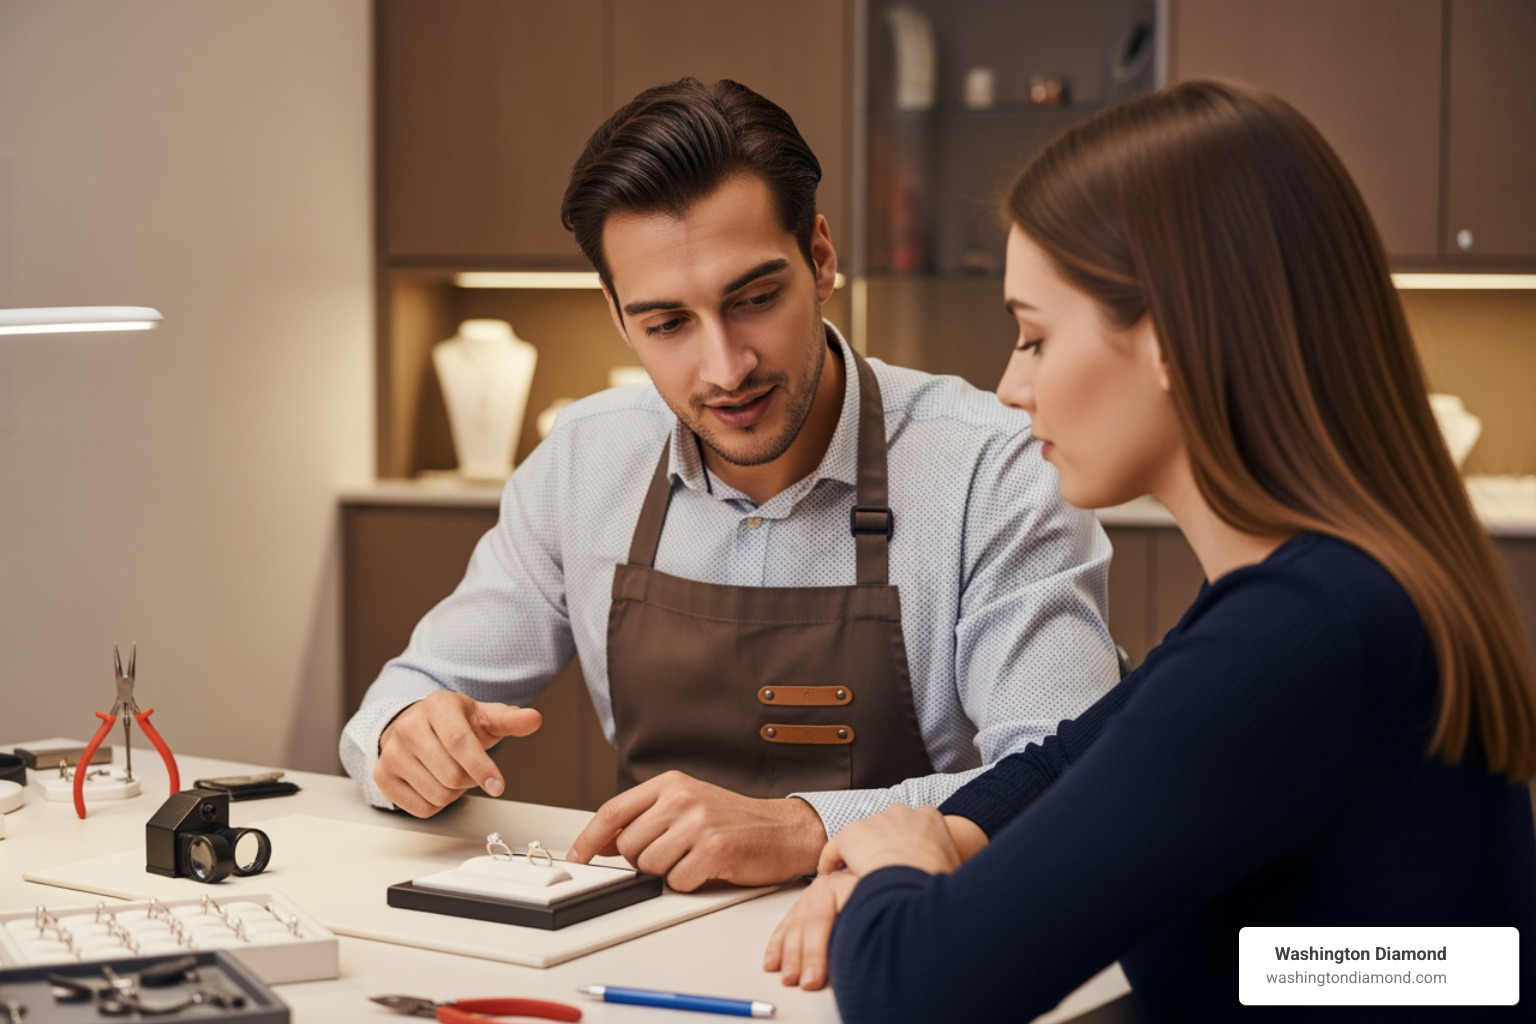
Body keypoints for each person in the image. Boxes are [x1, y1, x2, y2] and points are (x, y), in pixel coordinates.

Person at [764, 80, 1536, 1021]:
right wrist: (940, 842)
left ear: (1169, 335)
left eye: (1035, 336)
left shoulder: (1293, 639)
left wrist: (904, 871)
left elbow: (911, 992)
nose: (1010, 385)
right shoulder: (1336, 590)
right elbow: (1071, 766)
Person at [338, 78, 1121, 891]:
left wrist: (803, 825)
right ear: (617, 316)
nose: (725, 368)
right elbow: (409, 693)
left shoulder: (993, 470)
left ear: (820, 258)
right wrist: (408, 737)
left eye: (753, 299)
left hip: (900, 935)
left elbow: (1065, 781)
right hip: (644, 941)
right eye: (668, 324)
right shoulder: (584, 460)